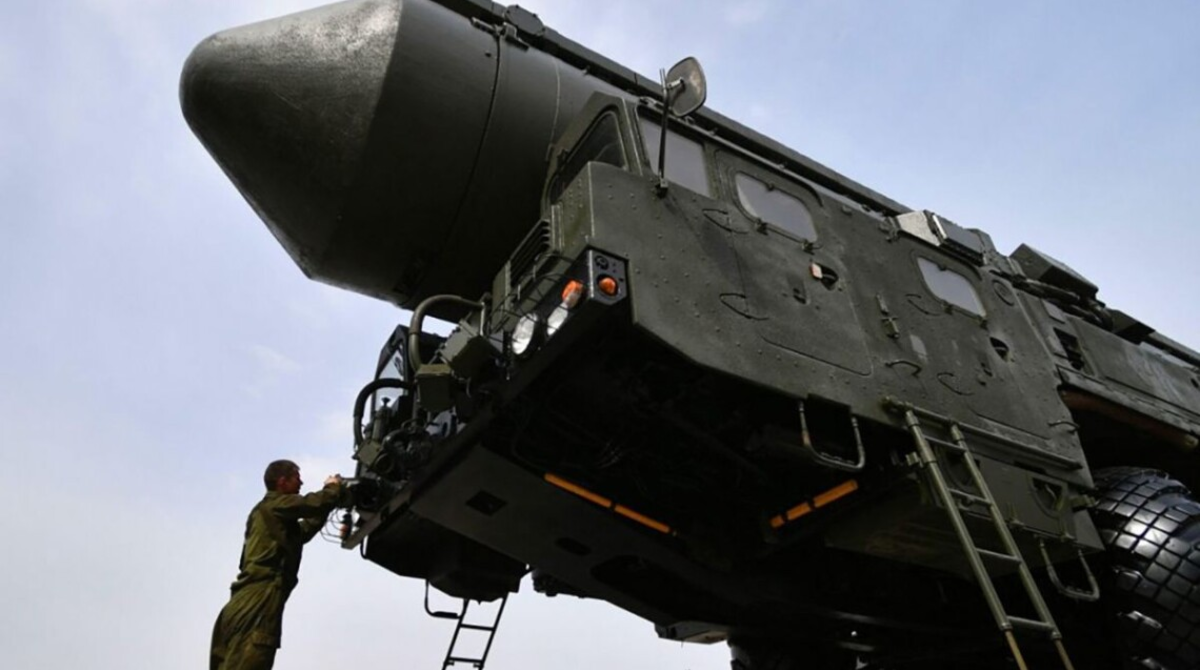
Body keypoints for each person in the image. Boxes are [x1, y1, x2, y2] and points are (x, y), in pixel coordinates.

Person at [210, 460, 345, 670]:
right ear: (282, 482)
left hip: (238, 604)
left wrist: (328, 504)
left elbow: (301, 532)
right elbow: (312, 503)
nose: (301, 483)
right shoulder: (277, 504)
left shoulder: (263, 513)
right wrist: (332, 488)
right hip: (258, 601)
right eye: (296, 478)